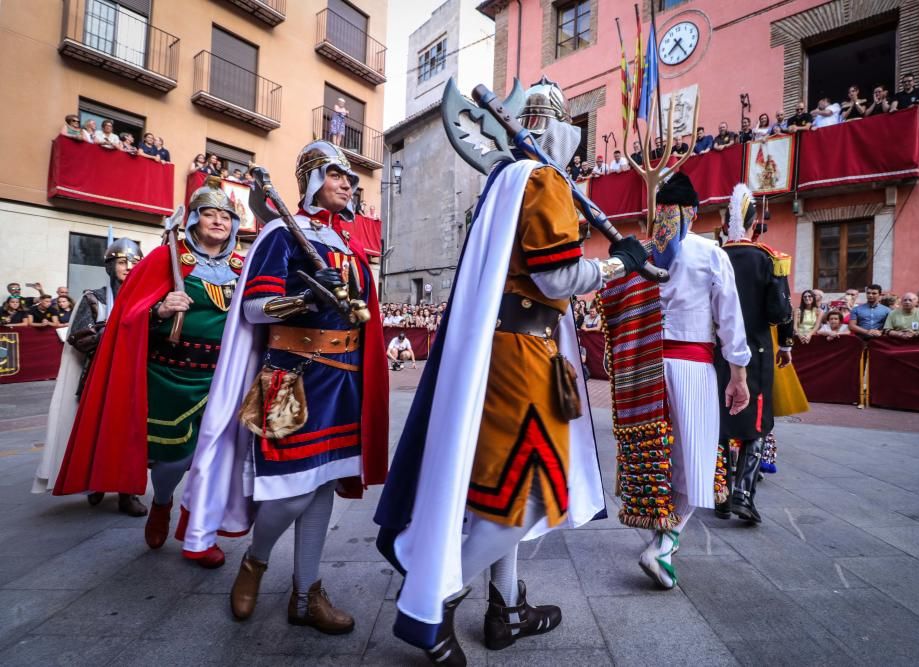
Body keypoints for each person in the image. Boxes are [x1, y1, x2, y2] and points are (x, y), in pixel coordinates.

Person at [374, 76, 645, 663]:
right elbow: (556, 279)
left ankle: (507, 609)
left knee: (498, 491)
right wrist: (620, 263)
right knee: (529, 493)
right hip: (524, 357)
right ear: (555, 129)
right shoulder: (545, 180)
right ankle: (434, 599)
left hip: (509, 351)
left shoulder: (508, 180)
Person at [180, 141, 389, 633]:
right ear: (315, 179)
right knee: (291, 492)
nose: (348, 184)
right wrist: (301, 298)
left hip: (344, 380)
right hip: (293, 377)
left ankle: (306, 594)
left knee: (322, 491)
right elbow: (253, 309)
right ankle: (255, 561)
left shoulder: (350, 245)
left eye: (351, 179)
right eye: (338, 175)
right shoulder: (280, 234)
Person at [54, 182, 244, 558]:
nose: (219, 221)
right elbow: (128, 316)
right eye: (210, 213)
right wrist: (160, 309)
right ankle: (163, 502)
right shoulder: (165, 259)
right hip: (169, 374)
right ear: (193, 221)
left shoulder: (245, 265)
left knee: (214, 458)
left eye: (226, 216)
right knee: (176, 457)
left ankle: (199, 534)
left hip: (223, 375)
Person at [633, 173, 750, 587]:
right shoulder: (710, 253)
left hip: (646, 368)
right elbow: (730, 317)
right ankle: (663, 545)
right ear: (694, 212)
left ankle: (660, 540)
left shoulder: (643, 253)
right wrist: (739, 373)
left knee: (655, 457)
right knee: (696, 460)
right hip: (691, 364)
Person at [32, 239, 146, 499]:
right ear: (110, 266)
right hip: (98, 376)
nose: (128, 267)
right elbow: (77, 338)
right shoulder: (93, 298)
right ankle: (98, 482)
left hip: (135, 377)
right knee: (97, 435)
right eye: (121, 262)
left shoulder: (146, 298)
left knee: (129, 437)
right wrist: (104, 334)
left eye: (135, 262)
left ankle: (127, 492)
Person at [714, 183, 793, 526]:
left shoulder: (714, 256)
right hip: (755, 349)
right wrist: (786, 344)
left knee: (719, 421)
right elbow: (781, 311)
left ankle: (717, 493)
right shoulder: (768, 258)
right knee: (756, 422)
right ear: (753, 221)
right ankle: (743, 495)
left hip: (716, 350)